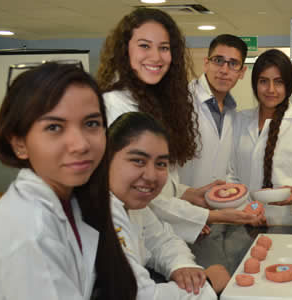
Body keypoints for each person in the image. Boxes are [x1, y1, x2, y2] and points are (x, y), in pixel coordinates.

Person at [0, 63, 137, 300]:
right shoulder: (28, 236)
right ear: (19, 143)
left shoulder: (72, 201)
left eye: (91, 124)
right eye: (54, 127)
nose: (80, 144)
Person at [98, 8, 262, 242]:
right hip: (134, 232)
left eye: (164, 48)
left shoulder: (163, 104)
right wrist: (205, 215)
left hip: (161, 231)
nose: (155, 57)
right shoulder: (115, 106)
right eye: (144, 45)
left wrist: (189, 194)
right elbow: (143, 191)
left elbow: (162, 180)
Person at [108, 112, 227, 300]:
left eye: (161, 164)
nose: (151, 176)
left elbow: (163, 240)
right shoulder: (102, 213)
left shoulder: (133, 205)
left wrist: (182, 266)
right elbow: (139, 295)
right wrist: (208, 285)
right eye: (138, 161)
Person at [227, 49, 292, 225]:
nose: (271, 90)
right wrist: (243, 208)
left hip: (287, 222)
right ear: (255, 84)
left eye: (278, 82)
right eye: (264, 81)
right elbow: (230, 173)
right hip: (242, 218)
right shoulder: (239, 121)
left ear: (289, 85)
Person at [179, 34, 247, 188]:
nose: (224, 70)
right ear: (206, 63)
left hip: (216, 208)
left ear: (241, 72)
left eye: (233, 63)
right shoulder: (181, 102)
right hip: (179, 206)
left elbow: (226, 169)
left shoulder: (232, 113)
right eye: (218, 60)